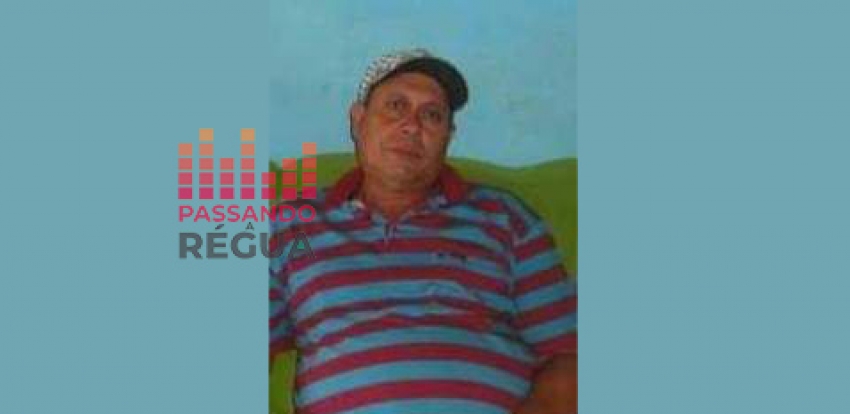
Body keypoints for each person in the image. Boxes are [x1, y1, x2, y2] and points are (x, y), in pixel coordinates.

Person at [270, 48, 577, 414]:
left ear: (448, 136)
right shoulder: (292, 225)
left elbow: (569, 357)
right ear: (358, 120)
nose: (412, 125)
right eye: (396, 106)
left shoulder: (506, 218)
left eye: (432, 115)